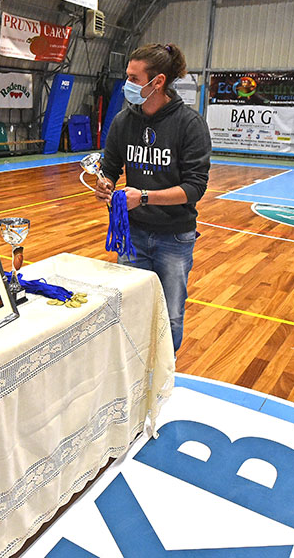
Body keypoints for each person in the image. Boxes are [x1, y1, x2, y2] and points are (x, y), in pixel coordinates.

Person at [94, 43, 211, 354]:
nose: (127, 84)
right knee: (129, 310)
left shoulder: (190, 124)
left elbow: (194, 188)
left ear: (157, 82)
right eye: (128, 76)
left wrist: (144, 197)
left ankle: (163, 376)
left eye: (134, 78)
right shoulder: (123, 121)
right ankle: (132, 371)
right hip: (132, 235)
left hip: (174, 238)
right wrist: (105, 184)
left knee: (170, 316)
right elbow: (110, 167)